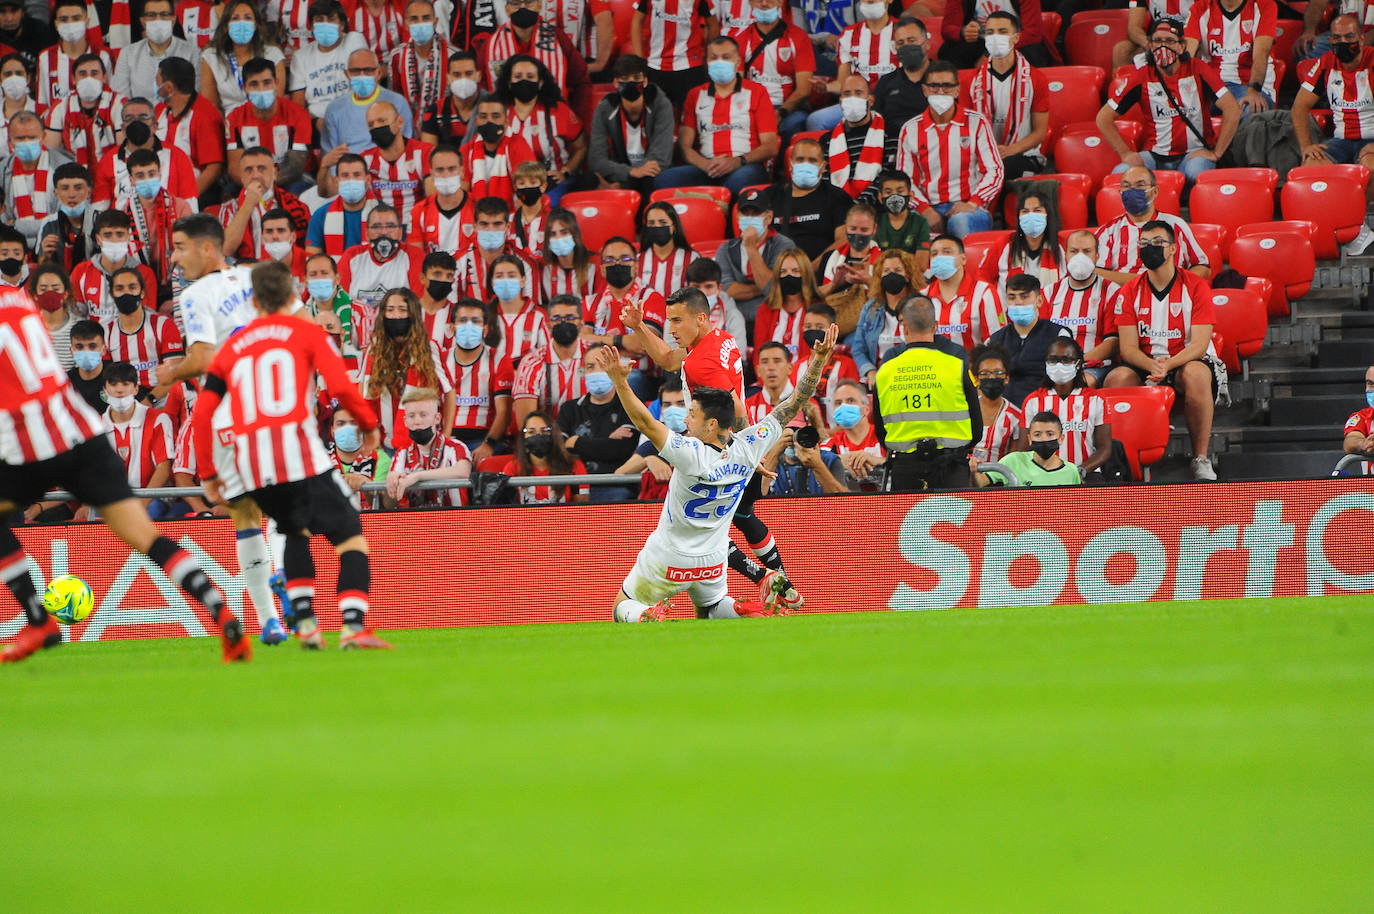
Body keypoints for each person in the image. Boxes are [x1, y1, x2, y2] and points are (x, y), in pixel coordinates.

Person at [0, 285, 244, 664]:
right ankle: (221, 611)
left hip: (30, 444)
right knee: (146, 537)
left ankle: (38, 620)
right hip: (82, 434)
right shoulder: (16, 298)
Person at [193, 260, 390, 650]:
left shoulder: (233, 346)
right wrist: (369, 425)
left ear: (254, 300)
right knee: (350, 534)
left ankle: (305, 624)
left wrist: (208, 471)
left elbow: (203, 410)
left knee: (293, 531)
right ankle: (353, 626)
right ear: (290, 294)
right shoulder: (306, 331)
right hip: (297, 452)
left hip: (251, 464)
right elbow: (341, 387)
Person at [597, 323, 835, 622]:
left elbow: (645, 422)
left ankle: (645, 613)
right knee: (710, 608)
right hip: (712, 559)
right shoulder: (750, 444)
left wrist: (619, 381)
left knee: (622, 605)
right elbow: (794, 402)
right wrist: (820, 359)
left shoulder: (689, 453)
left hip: (669, 555)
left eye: (692, 414)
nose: (686, 418)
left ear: (711, 424)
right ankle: (738, 608)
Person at [153, 213, 289, 644]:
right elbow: (300, 325)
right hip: (276, 403)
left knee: (245, 514)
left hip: (230, 412)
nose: (174, 260)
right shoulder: (259, 277)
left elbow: (205, 358)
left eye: (179, 247)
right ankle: (284, 570)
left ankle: (269, 621)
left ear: (207, 248)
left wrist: (171, 372)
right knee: (284, 505)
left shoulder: (194, 296)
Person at [1105, 220, 1219, 481]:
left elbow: (1200, 345)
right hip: (1145, 360)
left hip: (1187, 357)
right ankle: (1120, 460)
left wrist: (1167, 365)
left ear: (1172, 249)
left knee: (1196, 375)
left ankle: (1200, 458)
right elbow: (1128, 348)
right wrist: (1152, 365)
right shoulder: (1129, 291)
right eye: (1144, 244)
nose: (1150, 248)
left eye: (1157, 243)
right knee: (1116, 379)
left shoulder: (1196, 286)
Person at [1100, 18, 1240, 186]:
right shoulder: (1139, 77)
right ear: (1150, 46)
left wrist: (1217, 153)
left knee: (1199, 174)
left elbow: (1233, 109)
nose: (1163, 46)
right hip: (1154, 156)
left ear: (1182, 46)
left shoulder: (1199, 69)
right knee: (1120, 175)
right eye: (1158, 41)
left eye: (1170, 41)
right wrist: (1125, 153)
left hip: (1193, 154)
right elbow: (1103, 118)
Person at [874, 295, 982, 492]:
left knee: (908, 523)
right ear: (935, 326)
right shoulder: (957, 366)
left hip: (905, 469)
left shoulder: (885, 372)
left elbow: (881, 430)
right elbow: (977, 427)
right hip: (951, 468)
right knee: (954, 522)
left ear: (904, 327)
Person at [653, 35, 780, 195]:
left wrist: (737, 161)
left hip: (744, 166)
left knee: (740, 181)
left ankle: (712, 203)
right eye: (714, 58)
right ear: (707, 62)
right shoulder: (695, 95)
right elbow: (684, 147)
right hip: (706, 168)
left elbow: (770, 146)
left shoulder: (758, 92)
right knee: (664, 180)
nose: (719, 62)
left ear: (738, 61)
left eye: (726, 57)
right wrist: (705, 165)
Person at [1293, 15, 1374, 255]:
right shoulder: (1326, 62)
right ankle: (1333, 231)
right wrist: (1306, 146)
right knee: (1309, 169)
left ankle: (1356, 225)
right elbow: (1299, 107)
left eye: (1349, 37)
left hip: (1372, 138)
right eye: (1337, 38)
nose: (1343, 42)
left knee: (1370, 166)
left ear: (1361, 37)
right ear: (1330, 40)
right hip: (1340, 140)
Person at [895, 61, 1003, 238]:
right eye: (934, 86)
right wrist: (924, 209)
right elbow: (904, 181)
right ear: (924, 90)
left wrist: (973, 203)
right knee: (906, 225)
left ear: (957, 90)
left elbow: (995, 170)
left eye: (947, 86)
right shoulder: (910, 129)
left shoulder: (977, 122)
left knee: (960, 221)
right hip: (927, 208)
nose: (940, 91)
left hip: (969, 207)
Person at [362, 288, 456, 447]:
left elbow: (449, 392)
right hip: (384, 444)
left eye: (402, 310)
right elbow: (364, 391)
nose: (396, 315)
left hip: (423, 444)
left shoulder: (428, 348)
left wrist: (446, 434)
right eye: (390, 310)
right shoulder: (375, 349)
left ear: (413, 314)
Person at [967, 11, 1049, 181]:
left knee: (1002, 168)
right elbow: (966, 129)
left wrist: (1011, 150)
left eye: (1002, 32)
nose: (995, 37)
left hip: (1023, 154)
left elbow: (1040, 132)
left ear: (1016, 38)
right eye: (990, 32)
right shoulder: (971, 81)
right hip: (981, 154)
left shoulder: (1036, 79)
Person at [1094, 165, 1211, 284]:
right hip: (1123, 297)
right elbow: (1096, 273)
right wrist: (1149, 283)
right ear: (1120, 192)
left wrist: (1176, 285)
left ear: (1155, 191)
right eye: (1126, 186)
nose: (1132, 191)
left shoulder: (1176, 225)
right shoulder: (1108, 231)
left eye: (1140, 185)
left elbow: (1203, 267)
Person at [1021, 336, 1113, 479]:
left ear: (1078, 364)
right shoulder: (1033, 401)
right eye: (1053, 360)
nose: (1059, 365)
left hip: (1085, 476)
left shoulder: (1096, 400)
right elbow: (1024, 449)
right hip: (1042, 478)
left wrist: (1079, 471)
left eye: (1065, 360)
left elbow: (1105, 448)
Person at [555, 343, 638, 502]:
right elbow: (559, 449)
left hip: (614, 485)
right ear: (583, 371)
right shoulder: (569, 409)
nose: (596, 372)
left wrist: (577, 442)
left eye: (603, 365)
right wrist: (607, 440)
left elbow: (622, 449)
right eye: (590, 366)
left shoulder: (629, 406)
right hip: (575, 484)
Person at [497, 55, 584, 204]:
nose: (524, 81)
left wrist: (566, 171)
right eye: (518, 76)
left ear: (541, 82)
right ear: (509, 83)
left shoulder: (559, 111)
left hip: (551, 184)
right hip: (509, 184)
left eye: (530, 76)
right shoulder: (498, 112)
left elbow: (581, 147)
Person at [588, 54, 675, 198]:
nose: (631, 83)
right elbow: (596, 160)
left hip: (653, 172)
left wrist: (629, 179)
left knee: (650, 180)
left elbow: (661, 157)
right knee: (586, 181)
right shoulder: (605, 108)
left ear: (645, 81)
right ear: (615, 82)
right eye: (625, 79)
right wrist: (629, 172)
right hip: (623, 172)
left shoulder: (661, 104)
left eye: (636, 78)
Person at [482, 0, 589, 114]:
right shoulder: (492, 44)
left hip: (552, 120)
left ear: (539, 5)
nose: (522, 8)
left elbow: (581, 82)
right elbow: (483, 87)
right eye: (516, 4)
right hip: (507, 122)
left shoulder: (559, 38)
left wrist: (579, 119)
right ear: (507, 9)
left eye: (529, 3)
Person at [1043, 230, 1121, 386]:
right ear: (1065, 255)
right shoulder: (1049, 292)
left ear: (1096, 256)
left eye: (1086, 251)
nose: (1080, 257)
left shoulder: (1111, 291)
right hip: (1052, 366)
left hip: (1092, 367)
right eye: (1074, 251)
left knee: (1078, 383)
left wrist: (1075, 363)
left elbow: (1112, 342)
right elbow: (1041, 336)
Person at [223, 58, 312, 191]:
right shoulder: (233, 119)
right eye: (254, 84)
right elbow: (235, 167)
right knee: (229, 192)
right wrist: (256, 187)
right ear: (245, 88)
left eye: (267, 83)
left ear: (276, 83)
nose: (261, 89)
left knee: (298, 188)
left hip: (291, 179)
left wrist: (267, 187)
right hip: (251, 182)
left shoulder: (298, 114)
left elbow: (296, 166)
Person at [96, 97, 199, 212]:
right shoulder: (108, 160)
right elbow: (99, 209)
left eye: (143, 117)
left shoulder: (177, 157)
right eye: (129, 118)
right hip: (123, 227)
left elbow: (190, 207)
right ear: (123, 128)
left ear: (155, 125)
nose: (136, 123)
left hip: (169, 227)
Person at [807, 0, 895, 132]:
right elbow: (843, 82)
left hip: (893, 100)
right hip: (857, 101)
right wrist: (826, 87)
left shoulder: (902, 30)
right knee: (816, 120)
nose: (870, 0)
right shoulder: (848, 34)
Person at [985, 274, 1072, 406]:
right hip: (1005, 411)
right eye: (1012, 297)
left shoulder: (1059, 335)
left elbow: (1067, 381)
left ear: (1039, 301)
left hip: (1045, 410)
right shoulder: (995, 339)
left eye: (1024, 296)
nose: (1018, 302)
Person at [337, 205, 426, 332]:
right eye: (377, 227)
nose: (384, 232)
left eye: (390, 226)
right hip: (358, 333)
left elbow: (418, 305)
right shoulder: (352, 257)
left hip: (401, 332)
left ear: (400, 232)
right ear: (367, 233)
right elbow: (340, 301)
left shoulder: (414, 256)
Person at [101, 360, 175, 511]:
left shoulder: (158, 419)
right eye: (113, 385)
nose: (119, 390)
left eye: (126, 384)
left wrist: (143, 503)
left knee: (151, 510)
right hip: (113, 500)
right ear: (105, 389)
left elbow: (164, 468)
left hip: (153, 498)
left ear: (136, 389)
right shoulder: (96, 426)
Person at [735, 0, 814, 141]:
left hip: (788, 108)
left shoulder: (798, 37)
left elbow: (804, 90)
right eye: (759, 0)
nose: (764, 4)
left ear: (780, 2)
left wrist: (780, 113)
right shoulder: (741, 40)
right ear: (750, 3)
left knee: (794, 124)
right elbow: (738, 86)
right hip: (753, 107)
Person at [443, 297, 510, 461]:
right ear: (452, 328)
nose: (468, 326)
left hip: (483, 440)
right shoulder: (440, 360)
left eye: (475, 321)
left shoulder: (499, 360)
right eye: (463, 320)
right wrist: (441, 442)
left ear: (485, 330)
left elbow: (504, 411)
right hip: (446, 438)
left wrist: (489, 444)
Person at [715, 188, 798, 320]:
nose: (750, 218)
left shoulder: (783, 245)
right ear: (737, 216)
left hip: (771, 318)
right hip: (734, 318)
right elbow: (727, 289)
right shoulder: (725, 249)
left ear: (769, 217)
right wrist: (763, 288)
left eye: (755, 213)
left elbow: (771, 288)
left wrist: (750, 247)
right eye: (745, 213)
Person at [765, 137, 852, 262]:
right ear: (790, 164)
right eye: (800, 160)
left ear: (823, 166)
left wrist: (811, 269)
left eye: (812, 160)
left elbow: (843, 240)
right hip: (776, 271)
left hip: (820, 273)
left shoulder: (837, 197)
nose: (805, 164)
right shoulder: (769, 196)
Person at [384, 385, 472, 508]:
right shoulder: (402, 453)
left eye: (423, 415)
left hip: (454, 521)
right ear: (405, 421)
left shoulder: (455, 447)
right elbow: (389, 503)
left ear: (437, 418)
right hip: (416, 523)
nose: (417, 421)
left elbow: (463, 472)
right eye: (411, 416)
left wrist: (417, 476)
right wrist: (392, 481)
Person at [153, 57, 226, 204]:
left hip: (194, 194)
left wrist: (187, 199)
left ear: (169, 88)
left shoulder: (205, 115)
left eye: (157, 82)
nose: (155, 85)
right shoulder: (159, 111)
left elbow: (214, 167)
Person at [1184, 0, 1277, 114]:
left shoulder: (1264, 5)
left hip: (1249, 87)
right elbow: (1187, 56)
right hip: (1212, 87)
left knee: (1251, 110)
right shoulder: (1199, 8)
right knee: (1180, 110)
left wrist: (1253, 90)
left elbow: (1261, 54)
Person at [199, 0, 287, 114]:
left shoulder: (273, 54)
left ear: (255, 25)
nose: (241, 23)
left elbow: (277, 100)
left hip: (266, 119)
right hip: (228, 124)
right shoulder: (211, 56)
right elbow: (211, 107)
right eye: (235, 18)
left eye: (248, 18)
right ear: (226, 26)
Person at [848, 249, 923, 384]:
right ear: (879, 276)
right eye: (886, 271)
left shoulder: (920, 305)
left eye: (898, 270)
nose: (892, 275)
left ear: (908, 275)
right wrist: (870, 371)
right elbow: (858, 349)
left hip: (912, 377)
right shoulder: (870, 308)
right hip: (879, 378)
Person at [2, 111, 74, 249]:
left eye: (32, 137)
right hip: (12, 248)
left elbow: (66, 219)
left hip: (55, 245)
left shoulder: (64, 167)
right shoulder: (3, 170)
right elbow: (3, 222)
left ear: (43, 136)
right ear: (10, 140)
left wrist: (16, 225)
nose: (26, 143)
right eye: (20, 138)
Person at [71, 210, 158, 324]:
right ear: (98, 239)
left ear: (128, 237)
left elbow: (148, 319)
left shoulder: (144, 274)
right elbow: (76, 317)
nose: (114, 240)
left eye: (120, 234)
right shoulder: (81, 272)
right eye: (107, 235)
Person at [41, 53, 126, 169]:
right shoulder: (60, 107)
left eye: (94, 73)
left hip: (112, 171)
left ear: (104, 78)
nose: (88, 79)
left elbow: (124, 150)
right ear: (73, 79)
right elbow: (51, 152)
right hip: (73, 174)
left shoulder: (120, 104)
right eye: (82, 74)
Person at [320, 49, 414, 154]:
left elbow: (406, 148)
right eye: (355, 71)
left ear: (379, 73)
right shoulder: (334, 109)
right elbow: (331, 158)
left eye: (368, 70)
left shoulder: (398, 103)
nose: (362, 75)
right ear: (347, 74)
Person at [123, 148, 195, 285]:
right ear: (131, 180)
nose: (147, 179)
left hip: (177, 280)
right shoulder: (124, 213)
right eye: (140, 176)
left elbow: (189, 252)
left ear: (160, 174)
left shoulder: (180, 207)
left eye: (151, 174)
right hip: (140, 282)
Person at [104, 267, 183, 389]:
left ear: (142, 293)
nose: (126, 293)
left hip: (161, 399)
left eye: (132, 287)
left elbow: (174, 374)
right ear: (112, 295)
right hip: (124, 401)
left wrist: (151, 400)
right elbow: (107, 380)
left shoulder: (164, 325)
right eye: (120, 288)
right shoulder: (106, 333)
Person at [513, 293, 586, 425]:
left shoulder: (597, 355)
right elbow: (525, 424)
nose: (563, 322)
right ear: (548, 325)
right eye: (556, 318)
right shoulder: (531, 363)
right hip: (549, 439)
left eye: (570, 317)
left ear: (581, 324)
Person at [923, 233, 1003, 353]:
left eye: (947, 252)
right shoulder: (922, 297)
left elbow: (996, 343)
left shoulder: (984, 293)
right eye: (934, 254)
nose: (939, 257)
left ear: (963, 259)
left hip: (971, 369)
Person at [289, 1, 367, 124]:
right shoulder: (300, 57)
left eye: (331, 19)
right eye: (319, 20)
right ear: (312, 26)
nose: (325, 24)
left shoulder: (354, 40)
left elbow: (366, 85)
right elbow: (298, 104)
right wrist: (315, 123)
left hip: (355, 117)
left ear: (341, 24)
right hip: (318, 122)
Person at [112, 0, 200, 106]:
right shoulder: (127, 54)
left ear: (174, 19)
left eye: (164, 15)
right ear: (142, 21)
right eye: (151, 15)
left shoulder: (193, 53)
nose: (158, 20)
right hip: (139, 119)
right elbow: (121, 99)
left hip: (181, 119)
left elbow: (196, 98)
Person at [630, 0, 710, 109]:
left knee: (692, 118)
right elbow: (637, 21)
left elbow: (712, 24)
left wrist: (708, 55)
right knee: (655, 118)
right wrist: (639, 61)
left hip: (690, 67)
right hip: (655, 66)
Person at [498, 409, 590, 504]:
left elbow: (582, 508)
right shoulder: (512, 467)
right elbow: (505, 508)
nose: (538, 436)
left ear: (554, 435)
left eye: (544, 431)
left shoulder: (574, 466)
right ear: (523, 437)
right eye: (531, 432)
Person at [970, 411, 1083, 487]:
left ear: (1061, 438)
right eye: (1037, 434)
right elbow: (980, 483)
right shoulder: (1013, 460)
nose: (1043, 439)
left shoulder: (1071, 470)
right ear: (1029, 439)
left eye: (1050, 434)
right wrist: (974, 470)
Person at [387, 0, 451, 134]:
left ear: (435, 21)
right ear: (405, 24)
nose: (420, 23)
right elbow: (395, 97)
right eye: (414, 19)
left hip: (444, 127)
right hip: (409, 128)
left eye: (426, 18)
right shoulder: (396, 57)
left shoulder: (451, 55)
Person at [872, 17, 930, 163]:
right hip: (894, 152)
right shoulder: (886, 83)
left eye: (912, 41)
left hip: (936, 148)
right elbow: (875, 123)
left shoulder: (943, 76)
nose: (906, 46)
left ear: (927, 43)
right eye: (901, 43)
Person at [36, 0, 113, 108]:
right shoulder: (45, 57)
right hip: (56, 124)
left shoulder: (104, 55)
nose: (70, 23)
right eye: (64, 19)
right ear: (56, 23)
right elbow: (42, 104)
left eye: (76, 18)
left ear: (87, 21)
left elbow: (111, 98)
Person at [462, 96, 536, 205]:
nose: (489, 121)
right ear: (476, 121)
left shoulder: (518, 145)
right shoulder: (467, 150)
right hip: (477, 214)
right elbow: (462, 191)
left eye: (495, 116)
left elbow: (527, 191)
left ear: (506, 121)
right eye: (483, 116)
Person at [822, 75, 886, 200]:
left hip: (876, 207)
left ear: (871, 101)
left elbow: (888, 177)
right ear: (840, 102)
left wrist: (857, 207)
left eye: (858, 93)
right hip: (837, 208)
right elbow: (824, 180)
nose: (852, 98)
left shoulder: (890, 133)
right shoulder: (827, 140)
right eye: (847, 94)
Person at [939, 0, 1052, 69]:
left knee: (1033, 51)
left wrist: (990, 54)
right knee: (951, 50)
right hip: (980, 42)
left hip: (1016, 42)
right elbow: (948, 29)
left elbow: (1033, 33)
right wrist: (963, 32)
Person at [306, 153, 377, 256]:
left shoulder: (383, 214)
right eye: (345, 175)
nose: (351, 180)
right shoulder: (320, 215)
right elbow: (312, 258)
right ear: (336, 181)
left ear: (368, 179)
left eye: (357, 175)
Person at [408, 145, 474, 255]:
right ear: (432, 174)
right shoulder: (419, 212)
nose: (446, 175)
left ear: (462, 172)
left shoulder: (478, 206)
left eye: (452, 169)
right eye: (439, 170)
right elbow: (416, 257)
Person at [754, 247, 819, 357]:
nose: (788, 276)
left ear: (806, 274)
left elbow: (820, 352)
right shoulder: (765, 310)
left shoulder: (818, 308)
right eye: (783, 272)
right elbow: (758, 356)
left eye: (795, 271)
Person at [822, 378, 885, 490]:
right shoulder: (832, 443)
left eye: (850, 400)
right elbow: (814, 459)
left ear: (866, 409)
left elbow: (903, 463)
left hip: (891, 504)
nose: (843, 407)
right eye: (838, 403)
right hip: (848, 506)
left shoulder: (884, 435)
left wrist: (879, 461)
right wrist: (838, 460)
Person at [327, 402, 392, 510]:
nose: (347, 429)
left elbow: (384, 506)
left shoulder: (382, 460)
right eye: (341, 424)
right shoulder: (319, 460)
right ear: (332, 430)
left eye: (354, 423)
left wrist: (366, 485)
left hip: (370, 524)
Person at [489, 252, 546, 368]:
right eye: (499, 276)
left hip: (526, 383)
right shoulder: (482, 316)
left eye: (511, 275)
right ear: (492, 283)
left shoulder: (539, 316)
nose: (505, 281)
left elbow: (546, 355)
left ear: (523, 281)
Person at [969, 343, 1023, 465]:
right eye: (985, 373)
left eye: (998, 373)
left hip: (998, 479)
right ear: (977, 379)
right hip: (964, 478)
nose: (992, 377)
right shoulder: (964, 410)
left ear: (1007, 378)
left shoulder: (1016, 417)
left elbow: (1013, 460)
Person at [817, 202, 881, 298]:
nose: (857, 234)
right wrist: (834, 283)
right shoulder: (829, 257)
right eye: (853, 228)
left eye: (864, 230)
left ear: (874, 229)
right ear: (846, 227)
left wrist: (868, 281)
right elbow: (815, 296)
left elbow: (891, 298)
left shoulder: (884, 260)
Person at [637, 201, 698, 300]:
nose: (656, 227)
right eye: (651, 223)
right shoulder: (638, 260)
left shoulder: (692, 258)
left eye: (663, 222)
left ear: (674, 226)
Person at [763, 425, 848, 495]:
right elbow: (755, 500)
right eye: (787, 436)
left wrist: (818, 466)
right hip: (782, 513)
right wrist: (773, 454)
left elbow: (844, 502)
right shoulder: (772, 461)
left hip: (822, 513)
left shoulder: (829, 459)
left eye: (799, 432)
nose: (793, 440)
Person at [420, 50, 481, 147]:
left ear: (478, 76)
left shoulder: (491, 106)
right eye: (457, 75)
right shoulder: (435, 112)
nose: (463, 79)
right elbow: (428, 154)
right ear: (448, 78)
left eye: (468, 73)